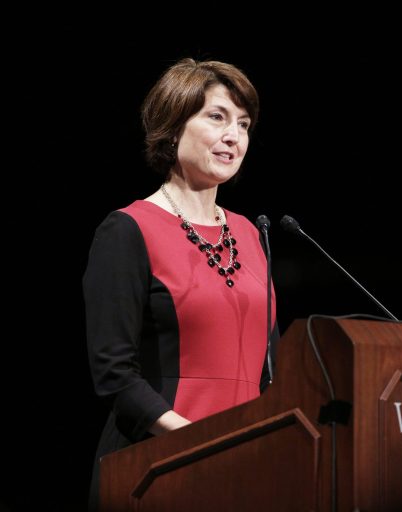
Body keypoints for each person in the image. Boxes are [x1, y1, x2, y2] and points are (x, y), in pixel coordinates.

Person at [83, 58, 277, 511]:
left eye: (243, 124)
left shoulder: (253, 234)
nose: (234, 136)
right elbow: (114, 376)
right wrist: (203, 442)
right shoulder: (128, 230)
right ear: (173, 127)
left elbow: (270, 373)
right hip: (155, 469)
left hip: (245, 472)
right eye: (217, 117)